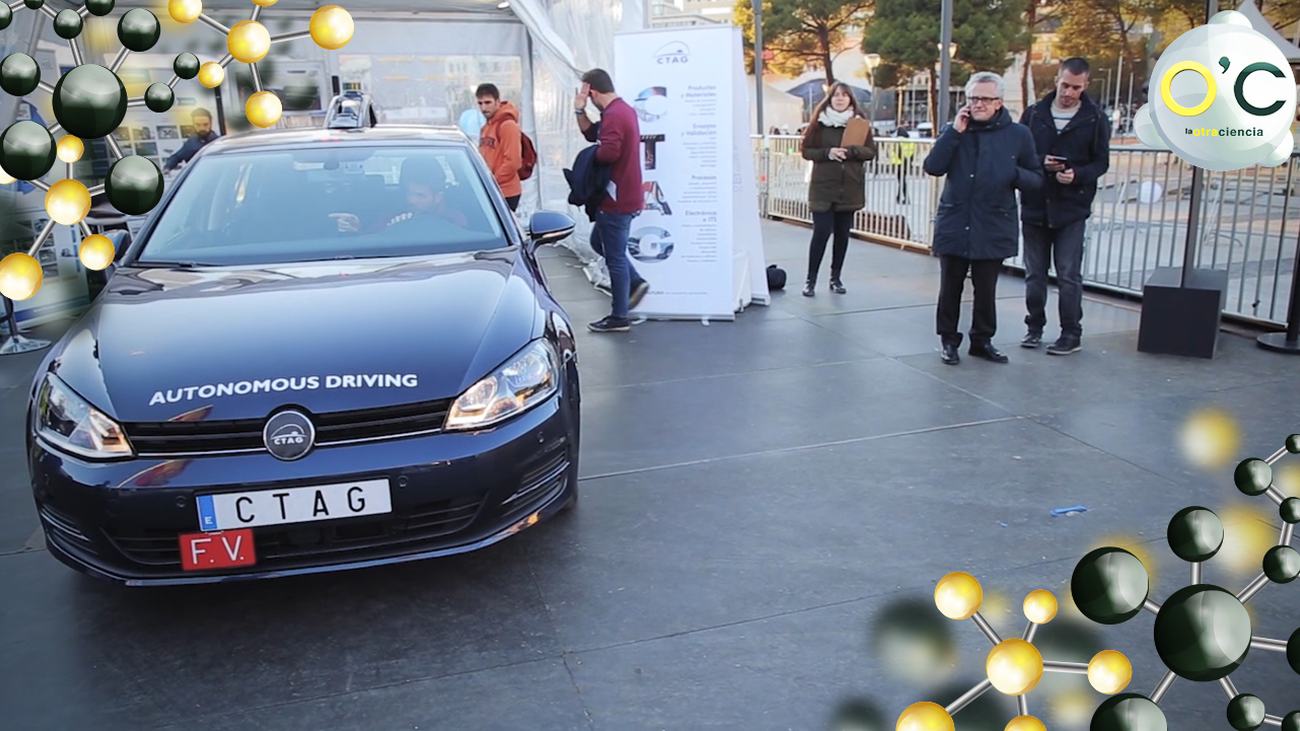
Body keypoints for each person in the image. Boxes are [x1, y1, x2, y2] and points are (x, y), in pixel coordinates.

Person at [922, 71, 1043, 366]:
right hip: (956, 218)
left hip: (992, 221)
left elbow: (1037, 178)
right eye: (973, 98)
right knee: (950, 285)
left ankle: (982, 339)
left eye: (985, 99)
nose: (978, 104)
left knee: (986, 288)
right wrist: (954, 133)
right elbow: (933, 166)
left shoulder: (1018, 135)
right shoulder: (956, 130)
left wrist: (1011, 173)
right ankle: (949, 340)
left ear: (999, 102)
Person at [1018, 57, 1110, 355]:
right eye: (1065, 85)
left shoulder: (1095, 118)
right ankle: (1034, 327)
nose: (1069, 92)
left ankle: (1071, 333)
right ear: (1057, 80)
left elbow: (1101, 161)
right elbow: (1019, 153)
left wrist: (1077, 175)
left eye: (1076, 87)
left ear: (1085, 86)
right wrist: (1040, 162)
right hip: (1035, 204)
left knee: (1069, 273)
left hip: (1072, 207)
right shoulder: (1034, 114)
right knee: (1035, 272)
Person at [574, 68, 649, 333]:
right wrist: (580, 111)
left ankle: (619, 316)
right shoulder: (619, 111)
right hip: (625, 195)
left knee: (615, 257)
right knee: (599, 243)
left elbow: (608, 152)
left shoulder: (615, 115)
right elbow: (591, 134)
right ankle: (636, 282)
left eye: (586, 95)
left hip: (617, 199)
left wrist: (588, 159)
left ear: (591, 91)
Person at [798, 82, 877, 297]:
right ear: (829, 98)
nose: (840, 98)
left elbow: (870, 151)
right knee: (821, 232)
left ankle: (835, 277)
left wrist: (851, 152)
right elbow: (806, 150)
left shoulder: (860, 125)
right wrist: (828, 153)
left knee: (842, 234)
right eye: (836, 95)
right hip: (823, 188)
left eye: (844, 95)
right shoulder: (819, 124)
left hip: (849, 188)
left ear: (850, 99)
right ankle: (810, 279)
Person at [331, 156, 468, 234]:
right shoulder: (394, 214)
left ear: (438, 197)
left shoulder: (455, 220)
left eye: (420, 195)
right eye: (408, 192)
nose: (411, 200)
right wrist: (357, 230)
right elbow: (371, 240)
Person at [475, 83, 523, 211]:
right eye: (480, 103)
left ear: (497, 102)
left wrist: (492, 181)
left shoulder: (507, 125)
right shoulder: (486, 127)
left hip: (505, 191)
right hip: (492, 188)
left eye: (487, 102)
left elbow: (513, 162)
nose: (483, 107)